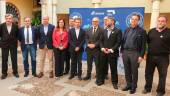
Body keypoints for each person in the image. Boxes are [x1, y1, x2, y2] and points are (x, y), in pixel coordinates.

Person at [142, 16, 170, 96]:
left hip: (163, 57)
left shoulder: (169, 32)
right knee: (148, 73)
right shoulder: (151, 31)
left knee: (162, 75)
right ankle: (147, 88)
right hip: (151, 56)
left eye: (162, 21)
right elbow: (147, 43)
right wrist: (145, 53)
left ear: (165, 22)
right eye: (159, 21)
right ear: (157, 22)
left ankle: (160, 91)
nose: (160, 22)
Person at [121, 14, 147, 94]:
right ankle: (128, 84)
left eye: (136, 19)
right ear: (130, 20)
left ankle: (133, 86)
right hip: (125, 52)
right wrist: (122, 51)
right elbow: (123, 41)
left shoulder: (142, 31)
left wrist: (141, 56)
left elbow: (143, 45)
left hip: (135, 53)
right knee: (127, 70)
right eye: (132, 19)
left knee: (134, 71)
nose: (133, 21)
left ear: (138, 21)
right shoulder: (127, 30)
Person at [96, 17, 122, 90]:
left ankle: (114, 82)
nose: (107, 22)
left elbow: (118, 42)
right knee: (102, 68)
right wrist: (102, 48)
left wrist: (111, 49)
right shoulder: (104, 30)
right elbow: (100, 41)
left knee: (113, 69)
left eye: (108, 21)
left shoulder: (118, 30)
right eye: (106, 21)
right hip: (103, 52)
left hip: (112, 53)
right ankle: (101, 80)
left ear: (113, 22)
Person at [0, 14, 19, 79]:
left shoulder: (15, 26)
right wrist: (1, 44)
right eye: (7, 18)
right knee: (4, 59)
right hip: (4, 45)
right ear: (5, 19)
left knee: (14, 59)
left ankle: (15, 72)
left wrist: (16, 43)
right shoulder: (1, 26)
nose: (8, 20)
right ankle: (4, 73)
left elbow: (17, 35)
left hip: (13, 45)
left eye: (10, 18)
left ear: (12, 19)